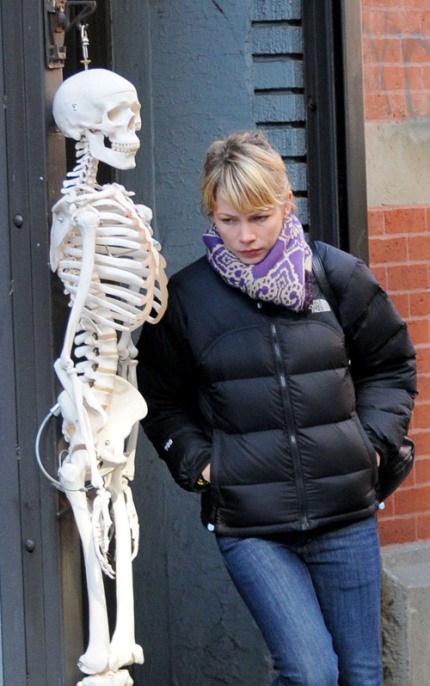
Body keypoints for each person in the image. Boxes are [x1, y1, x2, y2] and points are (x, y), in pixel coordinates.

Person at [137, 131, 417, 686]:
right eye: (227, 220)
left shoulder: (336, 276)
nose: (244, 236)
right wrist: (203, 464)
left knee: (361, 674)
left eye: (259, 217)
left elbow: (391, 366)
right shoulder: (186, 298)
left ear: (287, 203)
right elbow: (160, 399)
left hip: (344, 513)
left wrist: (369, 446)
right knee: (310, 672)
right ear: (211, 215)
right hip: (251, 522)